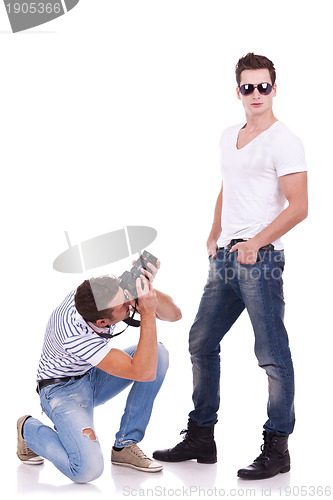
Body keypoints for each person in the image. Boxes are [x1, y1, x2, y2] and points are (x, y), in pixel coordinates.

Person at [153, 53, 308, 480]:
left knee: (272, 355)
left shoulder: (285, 140)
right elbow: (230, 185)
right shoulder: (228, 135)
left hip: (260, 261)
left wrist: (256, 243)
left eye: (263, 86)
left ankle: (278, 449)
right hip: (225, 258)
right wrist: (213, 235)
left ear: (274, 89)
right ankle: (202, 435)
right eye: (247, 87)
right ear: (237, 91)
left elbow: (300, 207)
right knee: (201, 340)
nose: (255, 94)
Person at [17, 259, 181, 483]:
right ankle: (28, 429)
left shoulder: (105, 290)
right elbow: (143, 373)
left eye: (126, 295)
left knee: (159, 355)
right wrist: (148, 313)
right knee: (87, 469)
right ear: (103, 321)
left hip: (91, 373)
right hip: (61, 391)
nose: (130, 303)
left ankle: (125, 445)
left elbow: (174, 314)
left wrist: (144, 288)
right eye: (124, 305)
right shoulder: (74, 333)